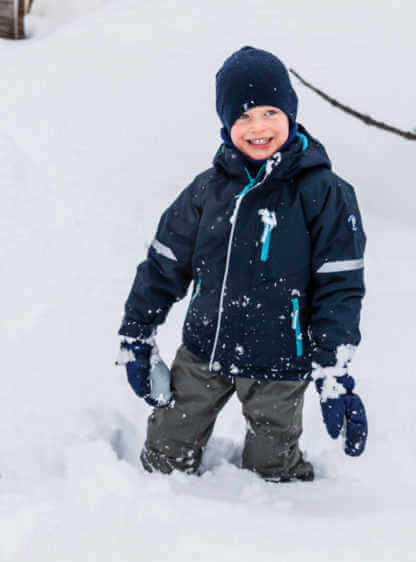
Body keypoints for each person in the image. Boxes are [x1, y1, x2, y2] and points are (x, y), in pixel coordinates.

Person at [117, 46, 368, 482]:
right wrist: (136, 334)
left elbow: (339, 285)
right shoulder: (207, 191)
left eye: (270, 112)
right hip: (203, 352)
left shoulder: (324, 192)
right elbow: (163, 265)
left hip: (280, 364)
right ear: (226, 125)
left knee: (273, 473)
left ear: (290, 113)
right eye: (243, 117)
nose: (258, 127)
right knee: (163, 459)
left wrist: (334, 368)